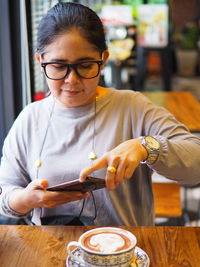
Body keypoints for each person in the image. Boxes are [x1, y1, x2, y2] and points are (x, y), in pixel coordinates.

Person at [0, 2, 200, 226]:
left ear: (103, 60)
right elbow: (5, 195)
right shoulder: (30, 119)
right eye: (58, 66)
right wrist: (26, 200)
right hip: (49, 253)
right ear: (40, 62)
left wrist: (145, 146)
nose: (71, 80)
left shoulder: (133, 108)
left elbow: (196, 166)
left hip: (124, 254)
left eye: (85, 65)